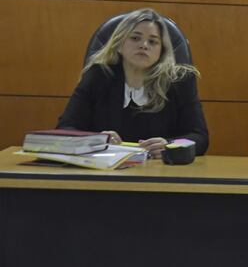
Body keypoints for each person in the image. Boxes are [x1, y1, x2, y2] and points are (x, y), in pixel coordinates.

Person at [57, 8, 209, 158]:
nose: (144, 45)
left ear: (161, 50)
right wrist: (96, 140)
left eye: (153, 41)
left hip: (159, 174)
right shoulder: (98, 76)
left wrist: (170, 144)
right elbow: (65, 129)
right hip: (107, 173)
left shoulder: (179, 81)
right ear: (119, 43)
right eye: (135, 38)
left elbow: (199, 137)